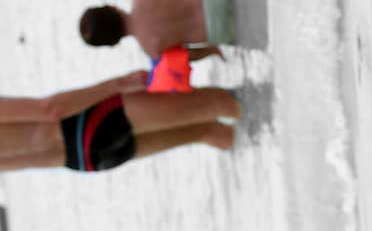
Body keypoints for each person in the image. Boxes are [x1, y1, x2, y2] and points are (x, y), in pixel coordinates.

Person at [0, 71, 240, 173]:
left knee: (210, 132)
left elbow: (34, 160)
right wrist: (117, 84)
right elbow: (50, 110)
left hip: (88, 160)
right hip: (90, 122)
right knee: (217, 102)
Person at [78, 0, 233, 61]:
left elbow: (190, 55)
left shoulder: (151, 49)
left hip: (218, 32)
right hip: (215, 2)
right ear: (111, 7)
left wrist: (213, 50)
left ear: (113, 43)